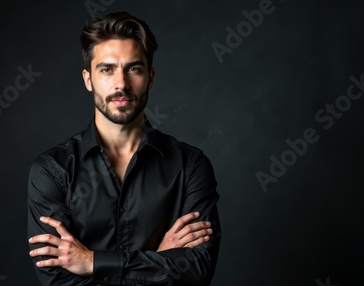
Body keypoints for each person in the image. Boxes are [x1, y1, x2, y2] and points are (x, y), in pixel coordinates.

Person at [27, 11, 221, 285]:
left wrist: (92, 261)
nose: (121, 84)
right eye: (106, 69)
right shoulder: (52, 171)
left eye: (134, 68)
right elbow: (58, 281)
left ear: (150, 78)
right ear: (87, 79)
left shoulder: (190, 166)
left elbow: (196, 271)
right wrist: (159, 258)